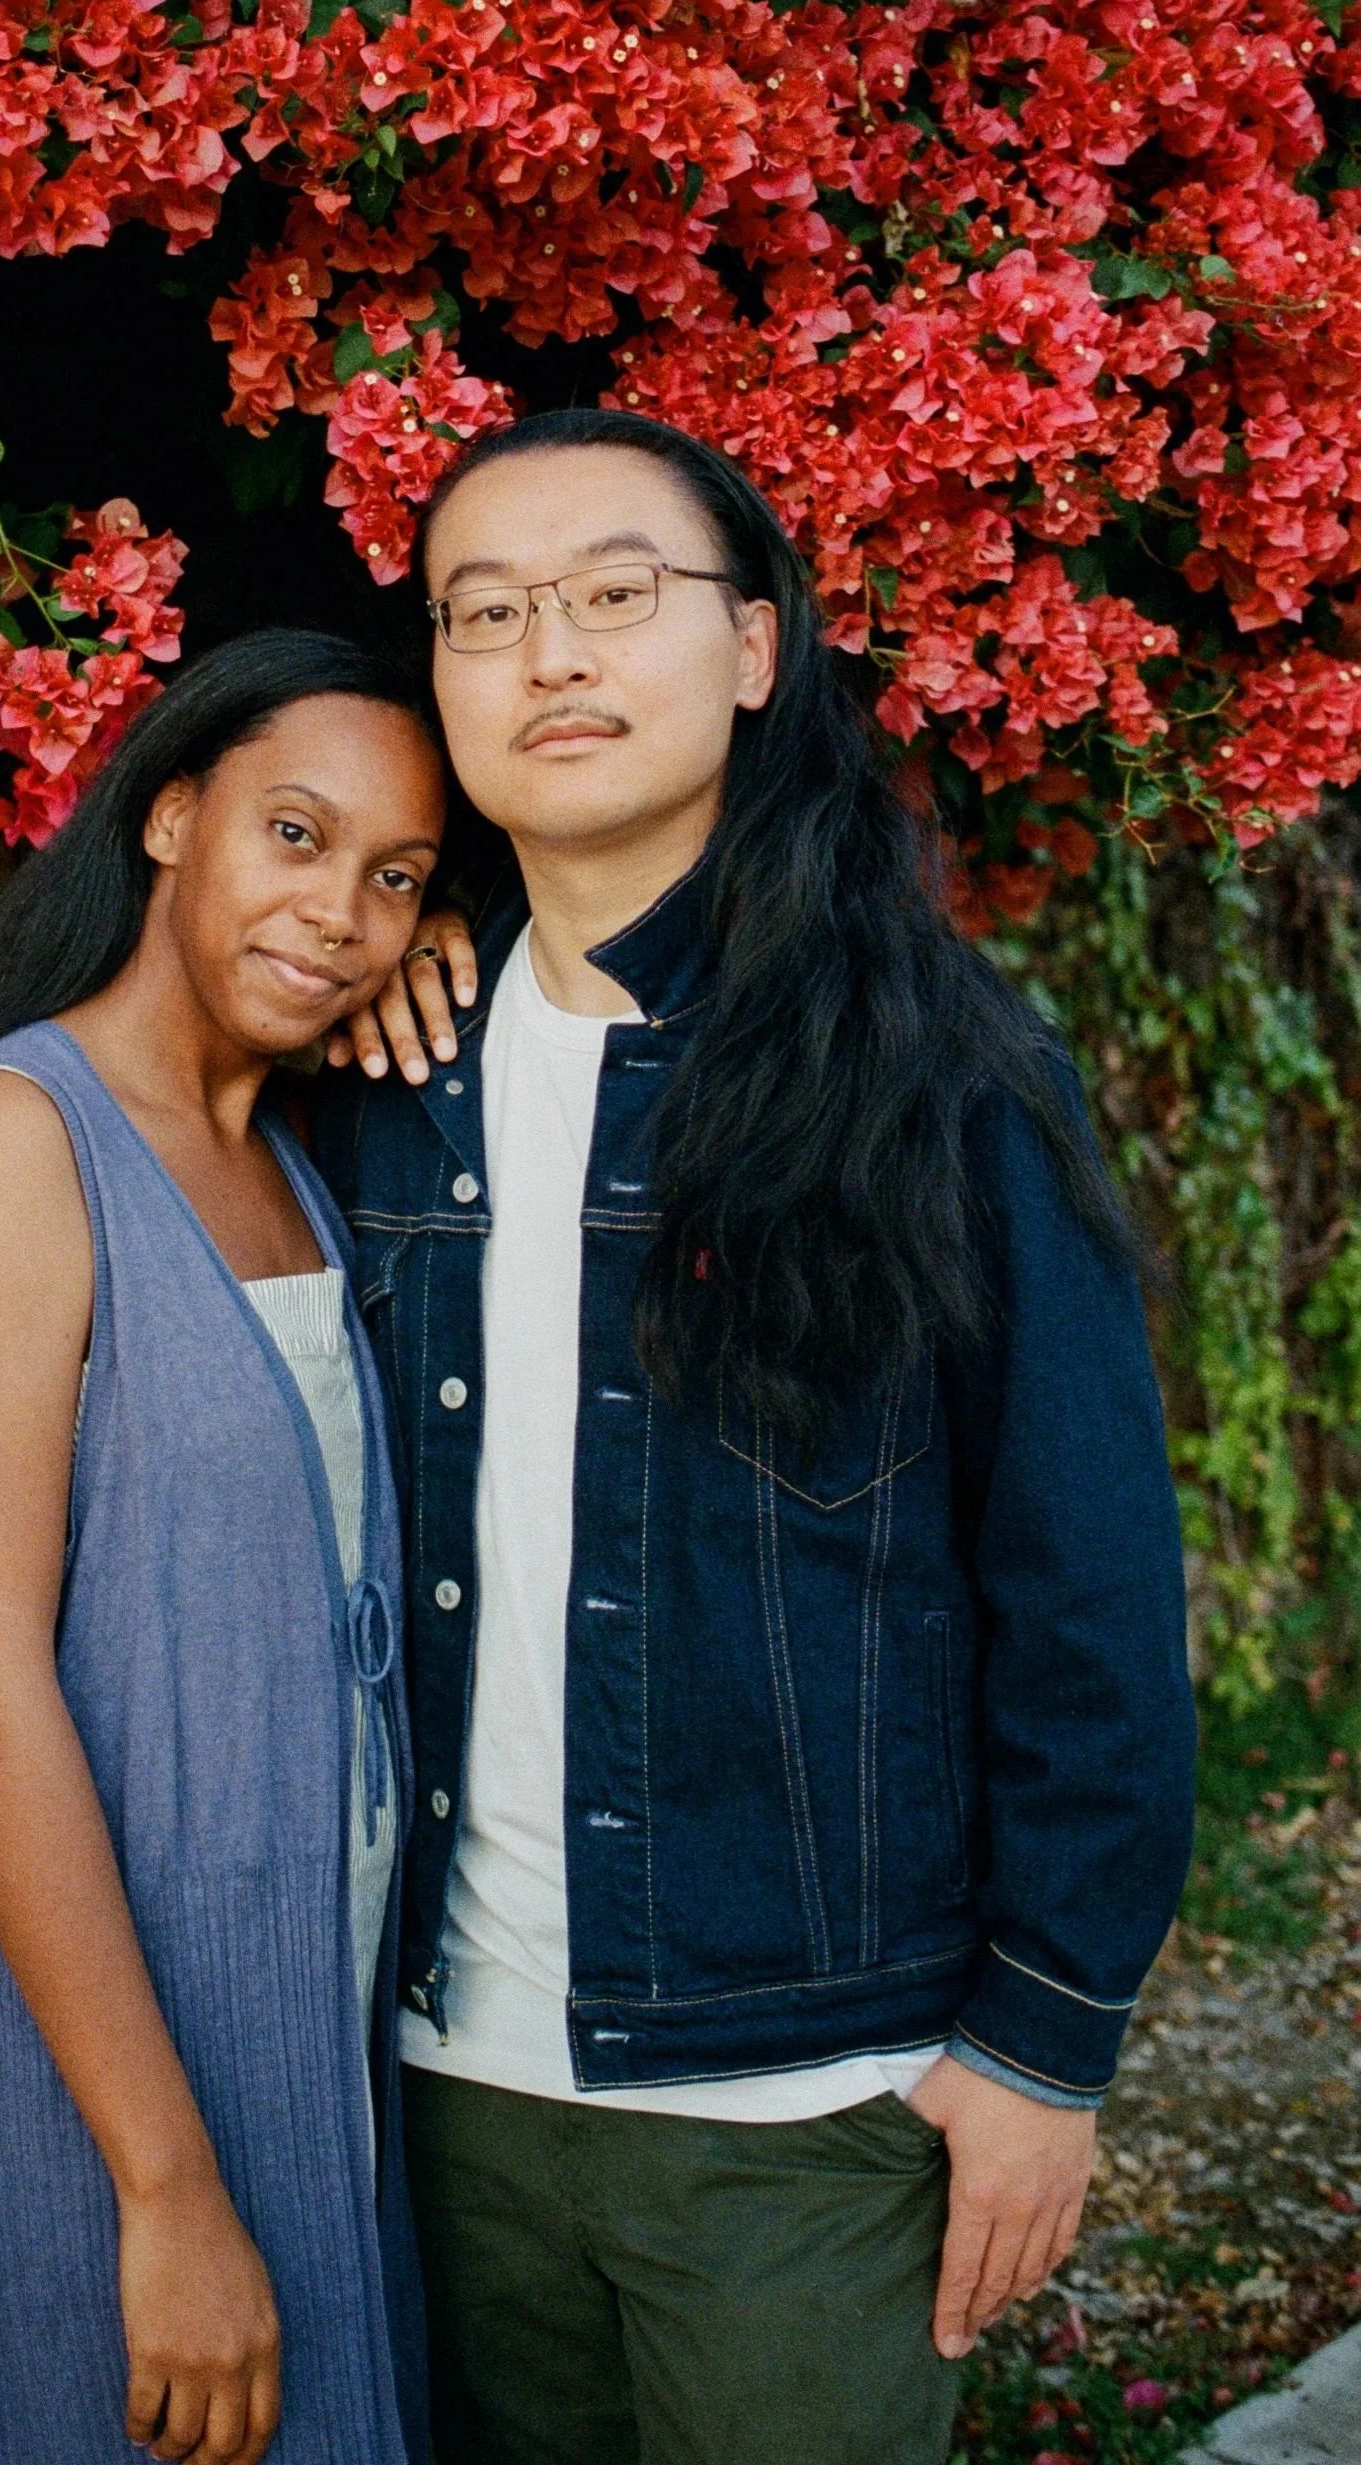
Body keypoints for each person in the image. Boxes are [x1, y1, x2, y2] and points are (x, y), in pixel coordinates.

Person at [316, 408, 1198, 2465]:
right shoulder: (375, 1074)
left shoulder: (935, 1063)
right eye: (486, 612)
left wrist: (1046, 2048)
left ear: (751, 646)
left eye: (616, 595)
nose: (551, 654)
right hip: (444, 2084)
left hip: (807, 2105)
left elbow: (1083, 1586)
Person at [0, 633, 451, 2465]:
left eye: (393, 878)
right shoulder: (25, 1138)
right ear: (172, 817)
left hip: (317, 2017)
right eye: (295, 835)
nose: (336, 913)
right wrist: (165, 2187)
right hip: (121, 2057)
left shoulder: (294, 1151)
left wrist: (448, 958)